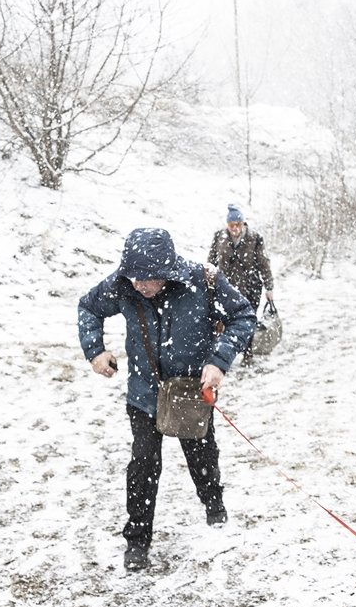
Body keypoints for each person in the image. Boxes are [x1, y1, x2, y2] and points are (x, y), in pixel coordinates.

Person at [78, 227, 256, 573]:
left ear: (168, 271)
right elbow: (88, 307)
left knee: (201, 454)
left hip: (190, 390)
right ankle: (137, 541)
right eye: (135, 278)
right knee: (143, 464)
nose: (140, 285)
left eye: (149, 279)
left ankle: (214, 508)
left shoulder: (202, 281)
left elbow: (243, 316)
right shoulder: (123, 284)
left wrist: (218, 362)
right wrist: (95, 351)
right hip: (145, 393)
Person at [208, 205, 274, 353]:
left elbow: (264, 264)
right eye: (231, 225)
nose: (235, 228)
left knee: (248, 321)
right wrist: (208, 282)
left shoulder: (255, 238)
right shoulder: (219, 237)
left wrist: (269, 287)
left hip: (250, 287)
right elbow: (211, 262)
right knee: (225, 322)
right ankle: (227, 352)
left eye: (238, 224)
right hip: (226, 287)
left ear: (243, 223)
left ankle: (247, 352)